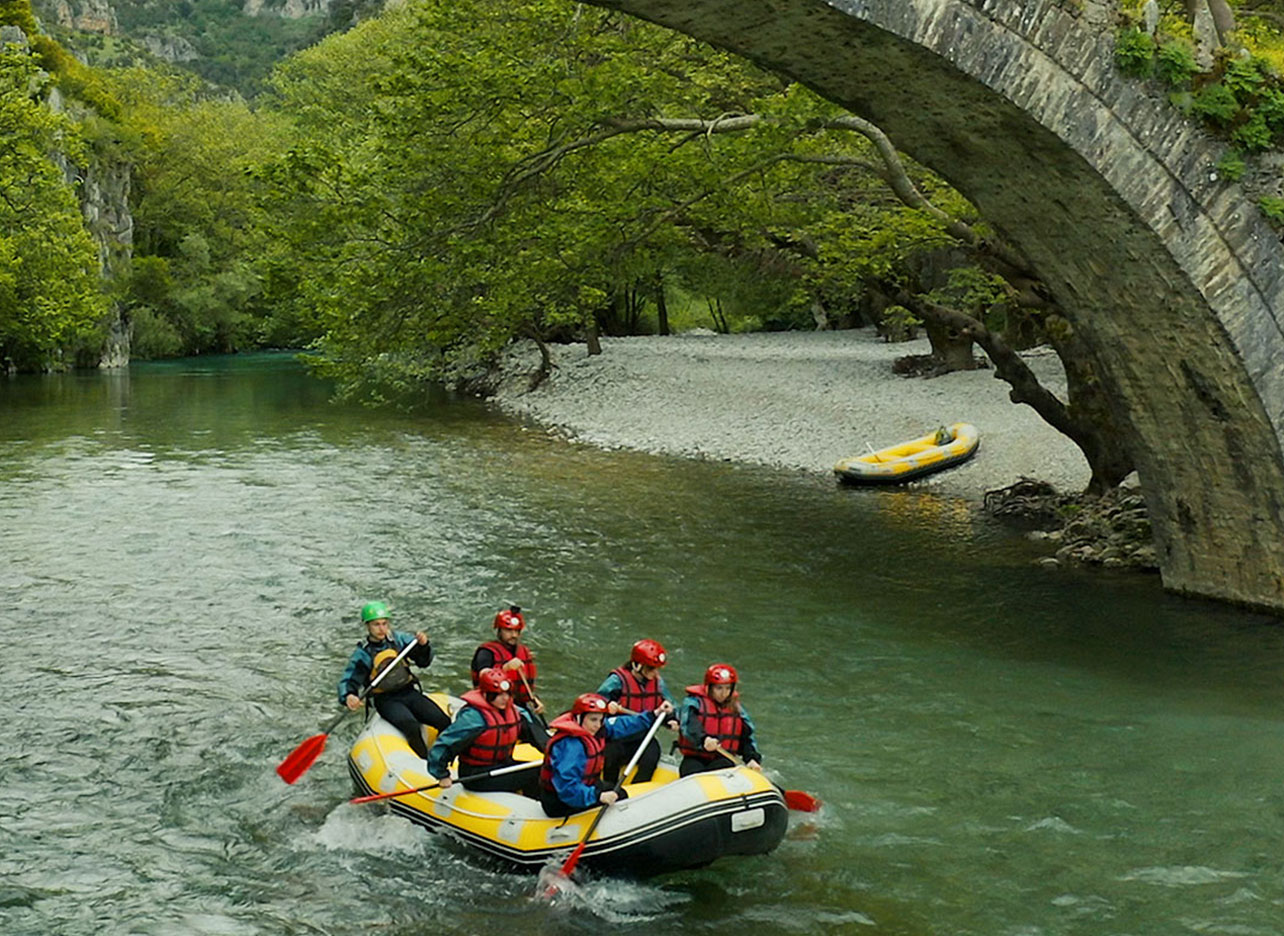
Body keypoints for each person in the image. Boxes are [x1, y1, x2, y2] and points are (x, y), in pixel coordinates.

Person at [337, 600, 449, 760]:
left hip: (409, 692)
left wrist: (424, 646)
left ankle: (445, 757)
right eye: (376, 624)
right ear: (367, 626)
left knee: (443, 720)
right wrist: (348, 695)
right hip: (386, 700)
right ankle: (425, 763)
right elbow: (350, 680)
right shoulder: (363, 653)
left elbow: (423, 662)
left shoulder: (399, 640)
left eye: (384, 623)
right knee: (412, 727)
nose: (382, 628)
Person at [538, 693, 672, 818]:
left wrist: (654, 714)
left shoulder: (597, 729)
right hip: (560, 802)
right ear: (579, 718)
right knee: (615, 799)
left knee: (621, 794)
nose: (597, 725)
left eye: (601, 720)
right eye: (593, 720)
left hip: (587, 788)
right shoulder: (570, 746)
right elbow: (567, 788)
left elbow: (624, 725)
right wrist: (598, 796)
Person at [424, 667, 539, 796]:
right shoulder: (474, 718)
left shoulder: (516, 712)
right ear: (485, 694)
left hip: (503, 765)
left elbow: (538, 737)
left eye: (507, 694)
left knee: (543, 771)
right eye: (498, 695)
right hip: (476, 775)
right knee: (535, 774)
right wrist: (441, 774)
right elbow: (445, 745)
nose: (505, 698)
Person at [595, 638, 678, 784]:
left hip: (642, 736)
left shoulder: (658, 683)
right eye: (651, 669)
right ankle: (609, 787)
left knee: (652, 754)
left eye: (657, 669)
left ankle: (637, 790)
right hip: (617, 736)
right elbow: (596, 705)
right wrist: (608, 706)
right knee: (611, 755)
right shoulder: (617, 681)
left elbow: (668, 704)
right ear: (637, 665)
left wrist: (671, 717)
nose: (656, 673)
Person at [470, 605, 547, 750]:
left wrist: (534, 700)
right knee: (530, 728)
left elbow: (523, 685)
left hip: (518, 703)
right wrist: (505, 668)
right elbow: (484, 677)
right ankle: (550, 754)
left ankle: (549, 750)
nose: (514, 635)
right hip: (494, 704)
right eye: (509, 631)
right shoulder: (486, 653)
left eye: (516, 631)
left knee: (539, 727)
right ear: (499, 630)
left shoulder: (523, 651)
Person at [676, 663, 762, 777]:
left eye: (728, 688)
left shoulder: (737, 710)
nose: (723, 693)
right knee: (691, 771)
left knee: (722, 767)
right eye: (719, 688)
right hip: (695, 757)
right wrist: (704, 739)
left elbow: (746, 738)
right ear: (709, 687)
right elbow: (689, 725)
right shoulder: (693, 703)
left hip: (723, 759)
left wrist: (751, 758)